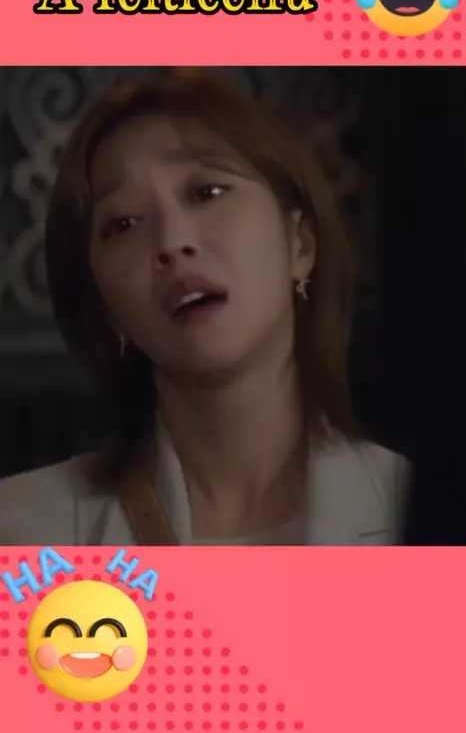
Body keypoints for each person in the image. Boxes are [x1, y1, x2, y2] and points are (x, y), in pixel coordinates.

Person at [0, 70, 409, 545]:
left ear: (300, 244)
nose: (172, 242)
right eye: (124, 223)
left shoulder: (431, 518)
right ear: (105, 305)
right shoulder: (22, 530)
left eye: (207, 193)